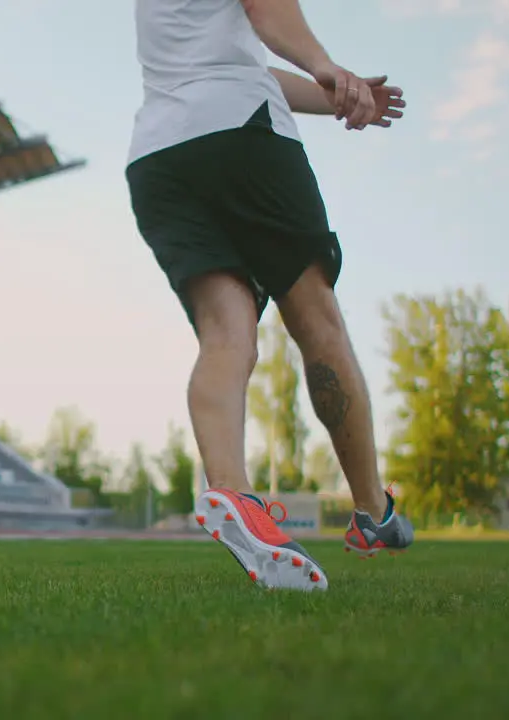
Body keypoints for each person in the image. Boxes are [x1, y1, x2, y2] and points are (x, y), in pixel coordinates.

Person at [125, 0, 415, 591]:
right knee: (317, 320)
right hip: (244, 134)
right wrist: (327, 66)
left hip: (160, 152)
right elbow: (265, 10)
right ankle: (372, 512)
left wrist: (333, 92)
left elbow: (240, 61)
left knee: (226, 335)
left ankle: (235, 497)